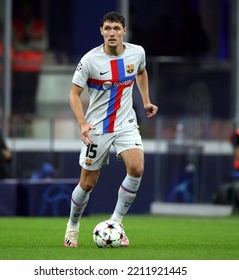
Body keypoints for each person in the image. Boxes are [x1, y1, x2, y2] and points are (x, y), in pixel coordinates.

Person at [64, 11, 158, 247]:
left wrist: (145, 100)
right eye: (107, 28)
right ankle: (72, 226)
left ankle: (116, 222)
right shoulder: (89, 60)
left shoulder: (137, 52)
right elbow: (74, 95)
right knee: (87, 184)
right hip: (98, 127)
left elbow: (141, 72)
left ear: (124, 31)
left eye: (116, 28)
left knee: (136, 167)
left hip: (126, 122)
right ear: (101, 31)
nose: (112, 33)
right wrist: (83, 123)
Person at [11, 1, 47, 117]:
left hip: (33, 68)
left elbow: (43, 46)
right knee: (18, 97)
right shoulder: (15, 25)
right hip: (18, 68)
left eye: (27, 10)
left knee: (30, 97)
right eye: (23, 10)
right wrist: (33, 44)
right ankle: (17, 120)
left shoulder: (39, 26)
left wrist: (27, 43)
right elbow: (15, 44)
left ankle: (29, 121)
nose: (25, 12)